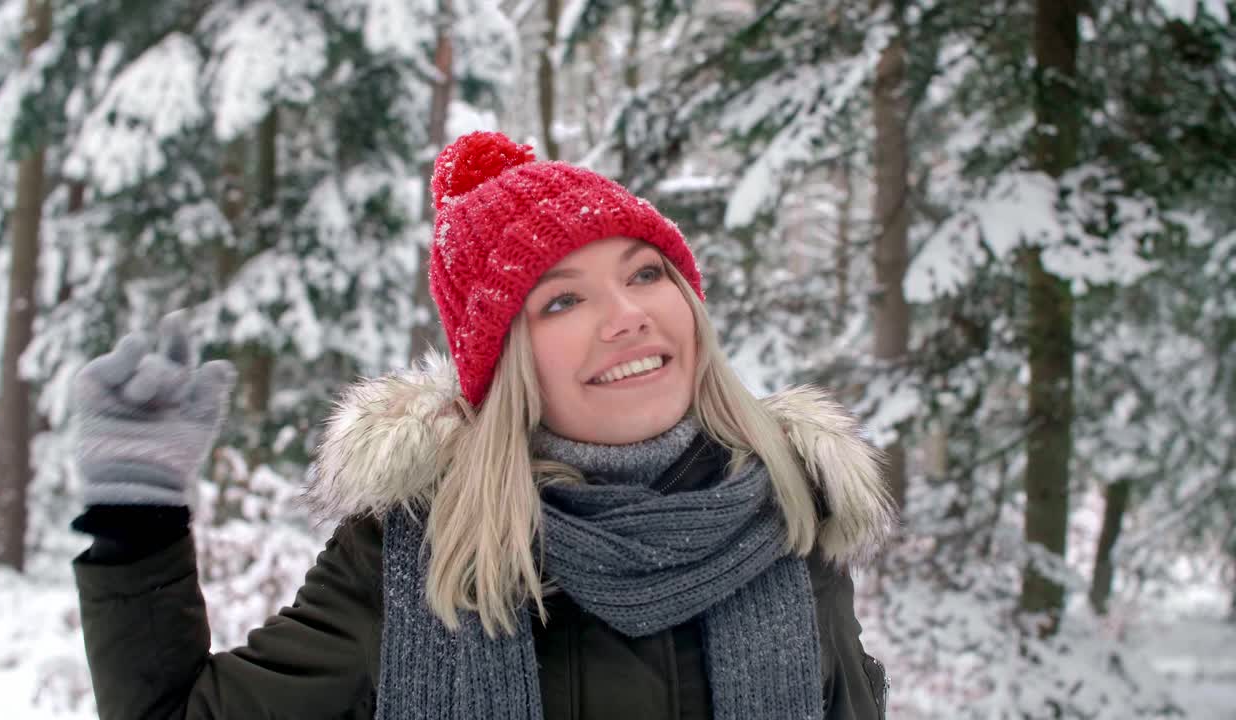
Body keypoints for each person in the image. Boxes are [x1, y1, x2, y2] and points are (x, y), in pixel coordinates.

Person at [69, 131, 896, 719]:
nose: (627, 317)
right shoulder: (414, 560)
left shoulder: (786, 524)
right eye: (562, 299)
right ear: (503, 366)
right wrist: (135, 520)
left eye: (646, 273)